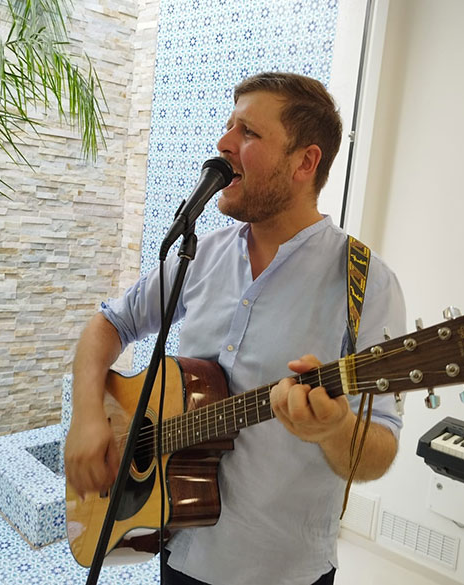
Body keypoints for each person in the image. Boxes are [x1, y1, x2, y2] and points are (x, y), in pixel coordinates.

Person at [64, 72, 406, 585]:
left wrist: (333, 428)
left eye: (248, 132)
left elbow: (378, 451)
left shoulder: (365, 283)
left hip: (282, 572)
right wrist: (88, 415)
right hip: (175, 545)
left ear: (305, 162)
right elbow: (108, 324)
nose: (223, 144)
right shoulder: (201, 255)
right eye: (229, 126)